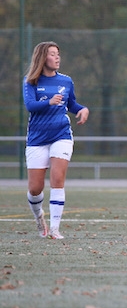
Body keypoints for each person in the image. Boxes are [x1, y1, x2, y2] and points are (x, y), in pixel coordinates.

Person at [23, 41, 90, 240]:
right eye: (53, 54)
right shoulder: (30, 81)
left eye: (58, 54)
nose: (57, 57)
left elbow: (72, 104)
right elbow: (30, 106)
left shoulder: (66, 81)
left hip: (61, 135)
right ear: (43, 58)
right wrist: (48, 102)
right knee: (35, 189)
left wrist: (82, 109)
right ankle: (39, 218)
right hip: (37, 139)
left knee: (57, 179)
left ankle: (55, 229)